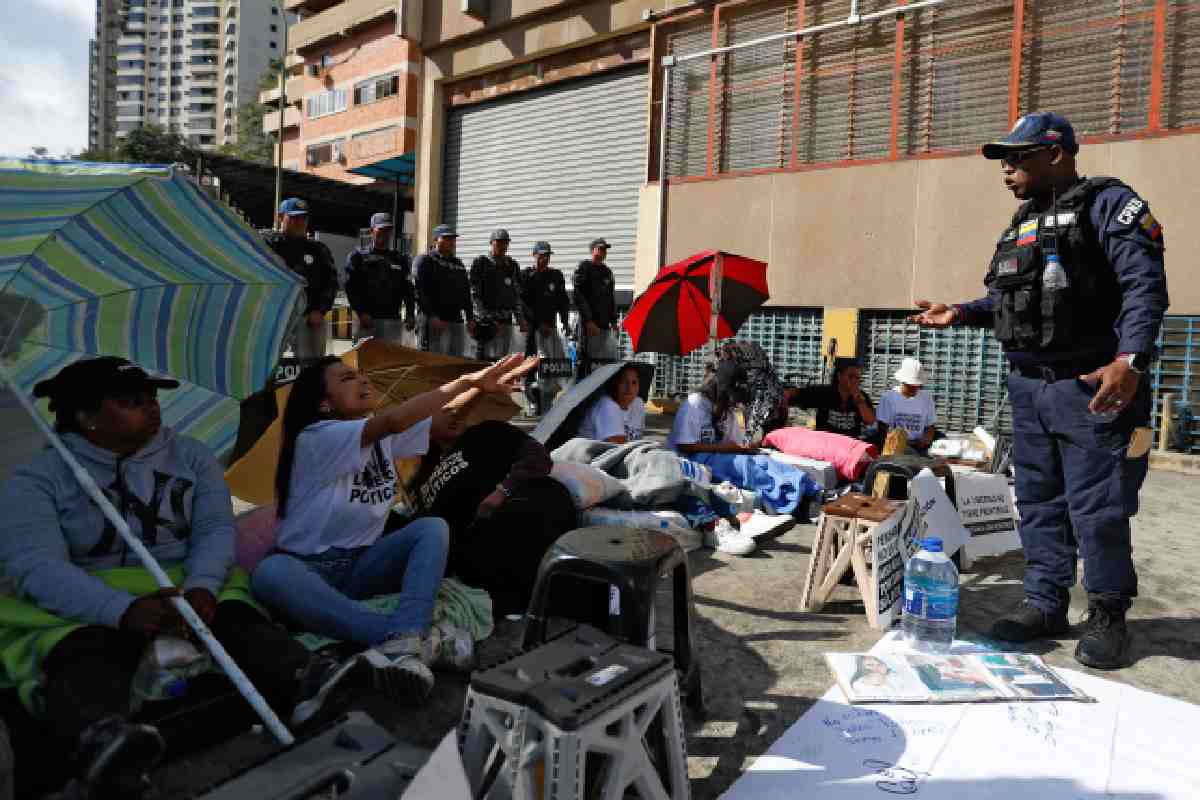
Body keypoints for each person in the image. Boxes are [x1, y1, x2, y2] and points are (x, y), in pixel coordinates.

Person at [0, 357, 351, 796]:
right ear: (85, 418)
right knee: (82, 650)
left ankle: (305, 679)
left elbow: (215, 530)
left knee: (236, 619)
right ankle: (103, 741)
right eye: (130, 401)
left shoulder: (192, 455)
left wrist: (203, 585)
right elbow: (36, 566)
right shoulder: (35, 481)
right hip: (92, 597)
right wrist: (122, 610)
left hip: (187, 583)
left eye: (151, 396)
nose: (151, 407)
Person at [909, 112, 1169, 669]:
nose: (1007, 167)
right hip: (1028, 390)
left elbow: (1144, 288)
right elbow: (1007, 303)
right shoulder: (1021, 224)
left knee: (1096, 507)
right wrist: (958, 312)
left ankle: (1107, 614)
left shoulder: (1108, 206)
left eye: (1019, 156)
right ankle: (1046, 602)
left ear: (1056, 154)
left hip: (1090, 388)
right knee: (1037, 501)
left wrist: (1132, 360)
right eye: (1005, 157)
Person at [250, 354, 536, 706]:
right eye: (346, 379)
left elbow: (444, 420)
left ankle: (402, 640)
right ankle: (413, 638)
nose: (362, 380)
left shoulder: (380, 436)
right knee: (269, 573)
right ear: (324, 404)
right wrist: (471, 380)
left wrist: (479, 390)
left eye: (359, 374)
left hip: (359, 568)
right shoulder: (317, 437)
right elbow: (397, 421)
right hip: (307, 570)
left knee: (432, 528)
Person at [407, 390, 577, 616]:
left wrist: (501, 491)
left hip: (523, 504)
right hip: (474, 543)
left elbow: (538, 458)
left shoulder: (484, 432)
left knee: (522, 516)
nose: (453, 416)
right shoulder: (421, 481)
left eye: (455, 410)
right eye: (442, 413)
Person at [667, 350, 822, 553]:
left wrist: (749, 447)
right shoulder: (695, 403)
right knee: (744, 466)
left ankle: (811, 491)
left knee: (765, 461)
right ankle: (793, 505)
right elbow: (684, 445)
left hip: (717, 456)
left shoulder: (727, 411)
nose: (736, 403)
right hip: (691, 460)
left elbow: (735, 444)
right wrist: (727, 448)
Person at [262, 198, 338, 361]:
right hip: (274, 319)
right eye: (294, 218)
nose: (300, 222)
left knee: (311, 370)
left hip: (309, 320)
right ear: (281, 217)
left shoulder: (318, 249)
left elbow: (331, 283)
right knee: (269, 368)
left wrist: (320, 310)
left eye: (303, 218)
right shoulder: (267, 244)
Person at [344, 212, 416, 346]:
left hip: (392, 321)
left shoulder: (400, 259)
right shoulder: (358, 257)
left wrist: (410, 314)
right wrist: (361, 313)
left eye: (388, 230)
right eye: (381, 229)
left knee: (390, 363)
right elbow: (350, 288)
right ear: (372, 231)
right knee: (364, 362)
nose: (385, 233)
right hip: (367, 321)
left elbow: (408, 289)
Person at [519, 241, 571, 415]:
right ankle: (531, 402)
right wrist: (538, 323)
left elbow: (563, 300)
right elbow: (522, 303)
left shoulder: (556, 276)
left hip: (551, 329)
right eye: (541, 255)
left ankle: (547, 400)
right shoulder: (526, 275)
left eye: (547, 256)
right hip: (533, 331)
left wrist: (565, 322)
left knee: (554, 366)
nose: (544, 259)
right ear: (534, 255)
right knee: (531, 366)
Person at [414, 224, 473, 356]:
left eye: (452, 239)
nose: (451, 242)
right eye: (446, 238)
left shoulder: (458, 264)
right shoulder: (425, 260)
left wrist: (470, 318)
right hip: (432, 321)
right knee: (430, 361)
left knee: (454, 361)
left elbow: (466, 292)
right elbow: (419, 291)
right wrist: (432, 317)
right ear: (436, 240)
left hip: (454, 322)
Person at [783, 357, 876, 440]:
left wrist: (860, 402)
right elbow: (796, 393)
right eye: (851, 377)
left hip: (849, 446)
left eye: (857, 378)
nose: (854, 381)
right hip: (826, 444)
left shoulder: (861, 397)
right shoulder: (824, 393)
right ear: (840, 376)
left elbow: (870, 421)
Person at [470, 229, 524, 361]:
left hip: (506, 320)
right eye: (499, 242)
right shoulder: (481, 263)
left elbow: (516, 294)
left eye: (506, 243)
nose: (503, 246)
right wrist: (488, 320)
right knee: (483, 362)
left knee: (502, 361)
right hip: (486, 323)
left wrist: (520, 318)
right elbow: (474, 294)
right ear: (491, 243)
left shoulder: (512, 265)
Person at [572, 238, 619, 379]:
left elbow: (610, 298)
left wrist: (614, 321)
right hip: (589, 325)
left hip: (604, 325)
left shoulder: (607, 272)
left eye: (605, 250)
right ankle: (580, 393)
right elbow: (578, 295)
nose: (604, 252)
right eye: (601, 248)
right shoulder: (584, 267)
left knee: (601, 362)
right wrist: (589, 320)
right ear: (593, 250)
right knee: (586, 361)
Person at [875, 357, 937, 453]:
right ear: (902, 382)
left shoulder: (927, 398)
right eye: (911, 385)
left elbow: (930, 427)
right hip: (894, 446)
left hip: (919, 446)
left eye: (917, 386)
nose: (914, 388)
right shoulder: (888, 398)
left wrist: (925, 440)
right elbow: (882, 429)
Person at [577, 364, 646, 444]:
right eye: (624, 382)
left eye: (634, 383)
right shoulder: (607, 406)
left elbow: (639, 439)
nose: (629, 388)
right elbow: (616, 448)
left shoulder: (638, 403)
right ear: (614, 384)